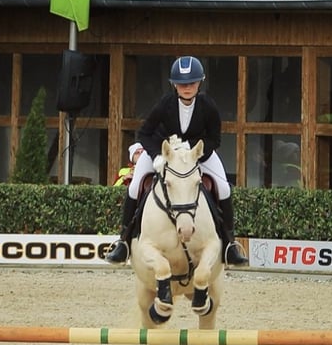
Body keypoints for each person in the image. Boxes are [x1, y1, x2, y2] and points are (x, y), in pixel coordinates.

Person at [105, 55, 248, 266]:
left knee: (224, 187)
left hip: (197, 154)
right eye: (181, 84)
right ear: (174, 85)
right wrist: (157, 157)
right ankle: (123, 242)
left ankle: (230, 245)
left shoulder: (208, 106)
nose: (187, 87)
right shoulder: (165, 104)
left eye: (191, 83)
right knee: (135, 186)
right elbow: (145, 134)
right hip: (164, 152)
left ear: (200, 83)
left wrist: (195, 154)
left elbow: (214, 139)